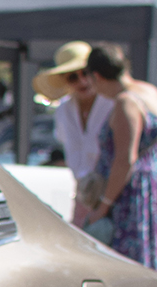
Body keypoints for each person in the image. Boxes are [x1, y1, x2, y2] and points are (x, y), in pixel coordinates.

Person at [86, 41, 157, 276]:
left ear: (97, 77)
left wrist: (104, 206)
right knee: (154, 261)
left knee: (132, 269)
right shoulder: (150, 91)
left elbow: (125, 159)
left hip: (136, 196)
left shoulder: (126, 101)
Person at [41, 42, 114, 227]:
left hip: (113, 193)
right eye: (73, 77)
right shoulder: (63, 110)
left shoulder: (112, 104)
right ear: (65, 81)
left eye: (86, 73)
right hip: (84, 194)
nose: (82, 81)